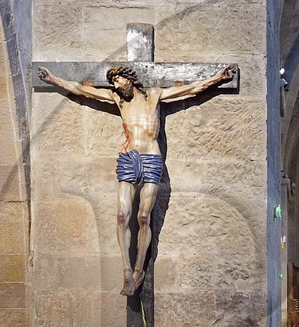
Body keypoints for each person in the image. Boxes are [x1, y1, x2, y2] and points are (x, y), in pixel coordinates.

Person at [38, 61, 236, 294]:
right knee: (122, 216)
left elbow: (191, 89)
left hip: (152, 159)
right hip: (129, 158)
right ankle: (125, 271)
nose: (115, 84)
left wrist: (218, 78)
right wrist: (54, 79)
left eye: (118, 79)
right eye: (112, 82)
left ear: (129, 78)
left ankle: (139, 269)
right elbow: (83, 90)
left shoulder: (154, 95)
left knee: (144, 217)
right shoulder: (118, 100)